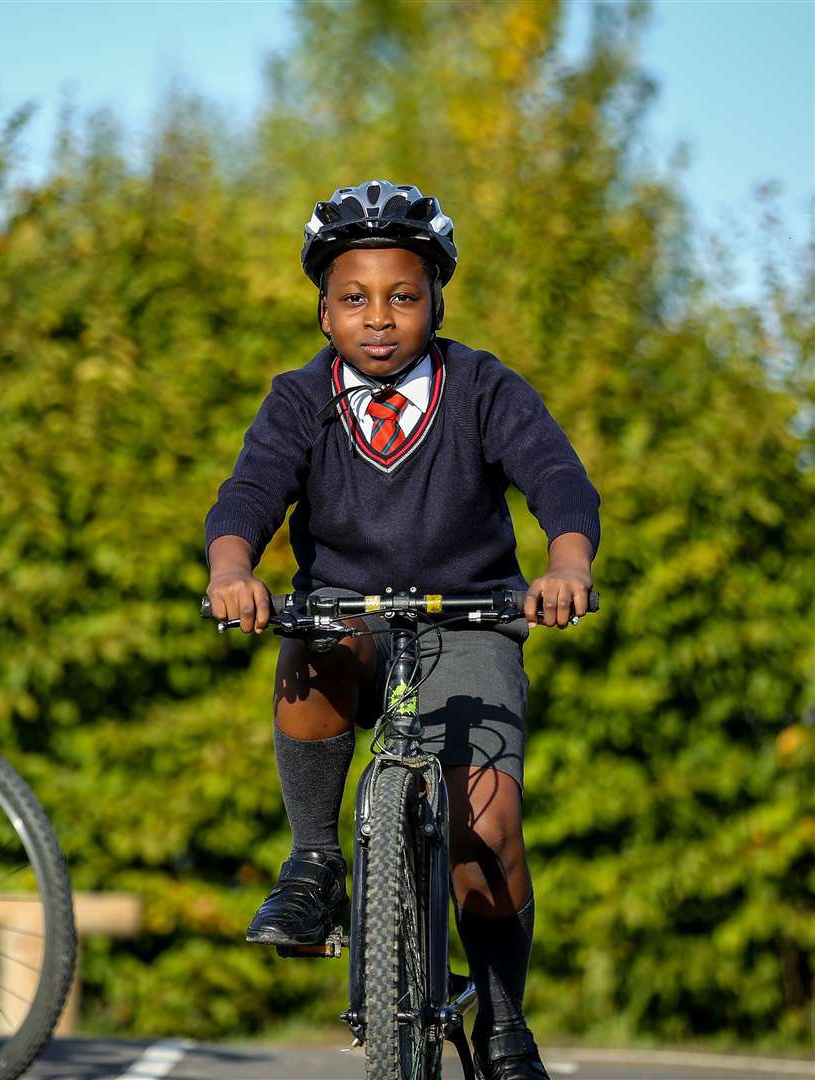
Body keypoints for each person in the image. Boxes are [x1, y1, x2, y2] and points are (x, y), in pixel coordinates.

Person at [204, 182, 599, 1080]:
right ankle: (313, 863)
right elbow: (249, 493)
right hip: (348, 615)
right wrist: (234, 572)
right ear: (322, 308)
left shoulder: (485, 388)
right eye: (354, 298)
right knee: (310, 645)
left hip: (469, 620)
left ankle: (503, 1023)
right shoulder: (301, 399)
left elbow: (560, 482)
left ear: (436, 302)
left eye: (402, 296)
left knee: (485, 829)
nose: (377, 319)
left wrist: (567, 564)